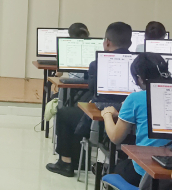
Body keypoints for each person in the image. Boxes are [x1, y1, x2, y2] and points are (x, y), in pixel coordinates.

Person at [47, 22, 133, 176]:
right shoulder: (140, 63)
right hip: (131, 122)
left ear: (107, 42)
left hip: (103, 120)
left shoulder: (97, 63)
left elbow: (93, 91)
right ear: (130, 43)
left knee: (65, 114)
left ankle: (66, 163)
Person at [100, 53, 172, 186]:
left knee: (119, 168)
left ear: (139, 78)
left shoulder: (136, 98)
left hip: (146, 173)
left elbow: (115, 137)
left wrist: (106, 115)